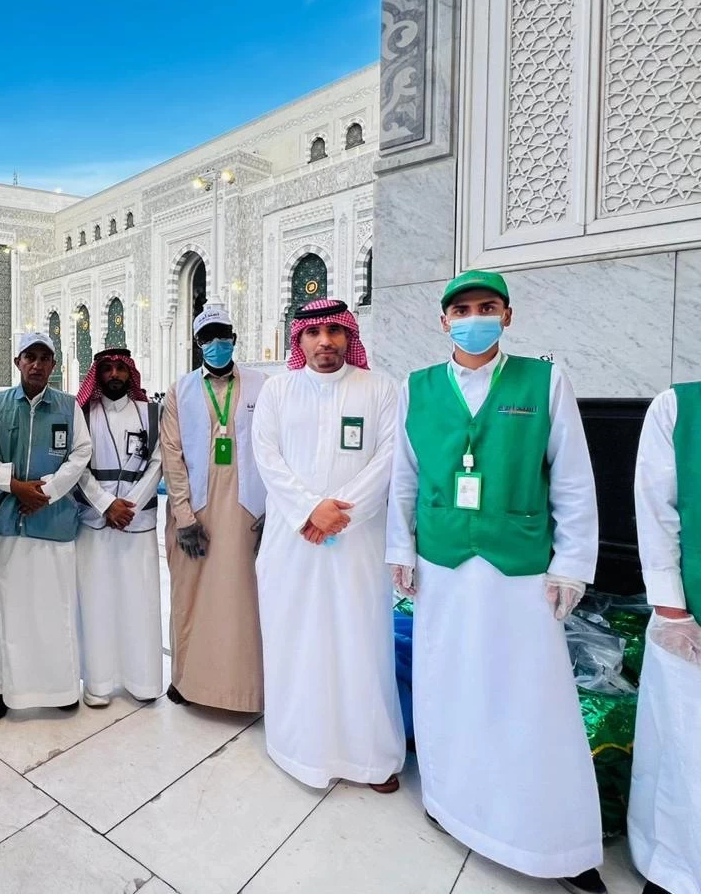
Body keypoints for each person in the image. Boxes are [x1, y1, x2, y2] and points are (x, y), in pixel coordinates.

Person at [385, 270, 604, 893]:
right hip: (443, 564)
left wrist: (571, 563)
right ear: (443, 321)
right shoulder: (417, 387)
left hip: (519, 568)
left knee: (530, 696)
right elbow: (404, 476)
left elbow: (572, 478)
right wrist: (400, 549)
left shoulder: (545, 381)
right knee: (447, 683)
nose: (473, 318)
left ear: (507, 316)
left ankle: (553, 842)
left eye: (486, 308)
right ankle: (450, 802)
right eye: (461, 310)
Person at [251, 299, 404, 791]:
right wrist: (308, 510)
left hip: (357, 543)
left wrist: (338, 515)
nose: (325, 341)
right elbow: (266, 458)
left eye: (335, 331)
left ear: (349, 337)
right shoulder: (277, 390)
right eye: (314, 333)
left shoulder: (380, 388)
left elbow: (390, 458)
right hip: (292, 541)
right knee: (296, 640)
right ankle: (298, 748)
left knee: (361, 642)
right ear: (298, 340)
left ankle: (370, 758)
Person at [159, 303, 266, 712]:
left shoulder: (261, 385)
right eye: (208, 337)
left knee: (244, 599)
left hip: (247, 511)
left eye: (223, 335)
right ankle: (187, 681)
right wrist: (184, 517)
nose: (216, 343)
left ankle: (247, 690)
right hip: (196, 512)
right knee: (190, 597)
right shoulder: (180, 390)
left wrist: (269, 512)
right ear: (197, 343)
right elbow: (172, 455)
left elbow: (274, 451)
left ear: (234, 339)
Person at [0, 331, 92, 718]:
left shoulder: (68, 406)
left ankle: (60, 688)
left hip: (53, 522)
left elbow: (81, 452)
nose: (37, 364)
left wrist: (47, 491)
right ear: (17, 362)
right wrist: (14, 486)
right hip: (5, 522)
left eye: (45, 358)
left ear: (53, 365)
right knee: (3, 610)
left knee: (53, 609)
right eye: (30, 357)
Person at [628, 383, 701, 894]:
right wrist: (673, 610)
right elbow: (656, 509)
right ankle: (677, 871)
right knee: (683, 752)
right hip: (689, 621)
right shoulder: (679, 408)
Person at [74, 347, 163, 706]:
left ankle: (143, 682)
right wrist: (106, 504)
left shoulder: (151, 413)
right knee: (96, 601)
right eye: (107, 368)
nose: (114, 374)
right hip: (94, 521)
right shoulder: (83, 413)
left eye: (120, 368)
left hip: (136, 523)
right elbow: (77, 466)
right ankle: (98, 683)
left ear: (131, 373)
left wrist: (129, 506)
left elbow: (159, 463)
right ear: (98, 374)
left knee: (139, 601)